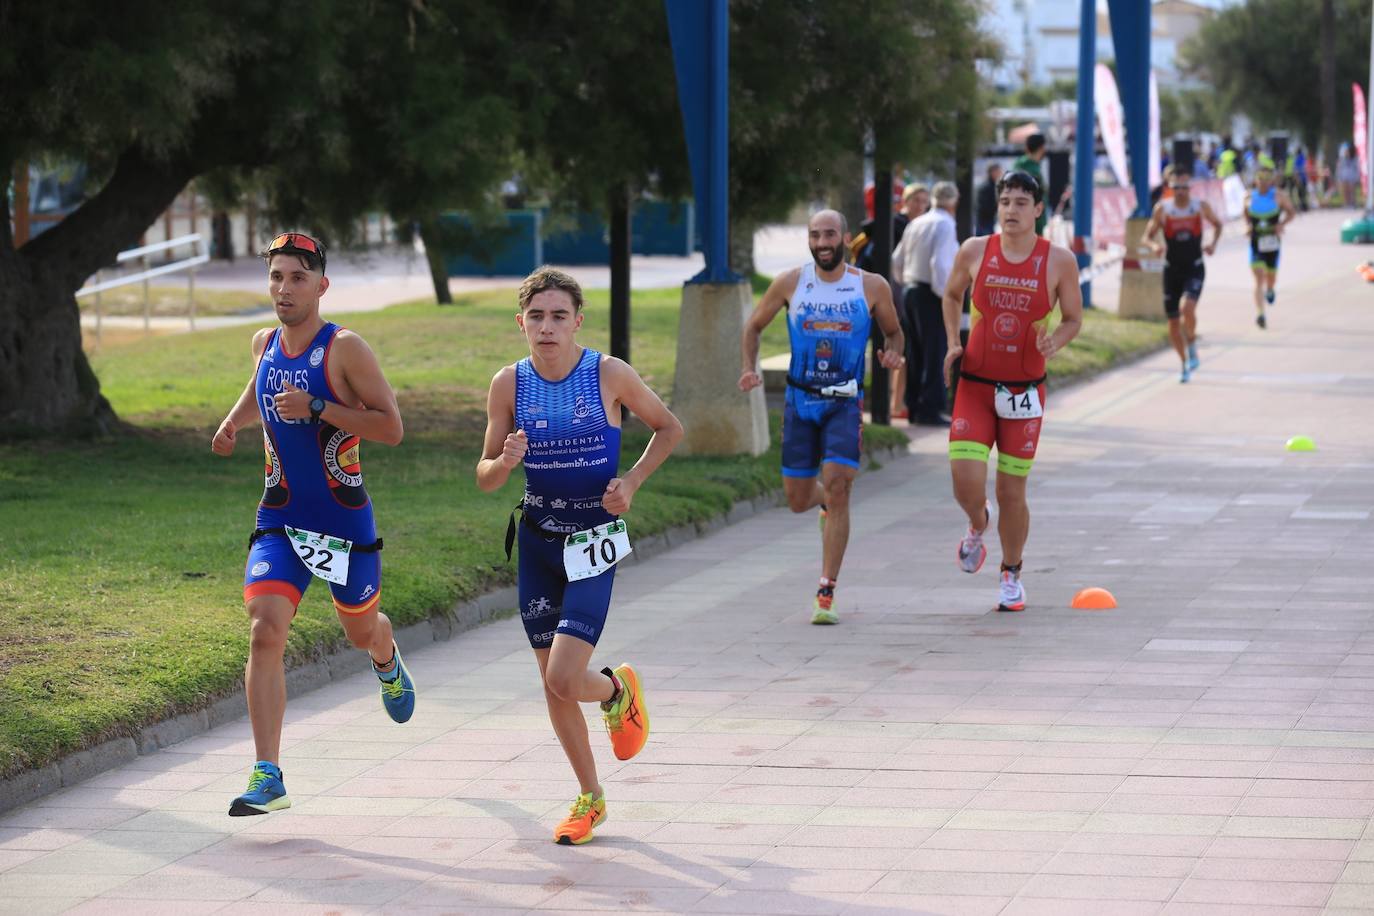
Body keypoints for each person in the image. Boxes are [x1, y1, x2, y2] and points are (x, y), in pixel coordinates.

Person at [476, 267, 683, 845]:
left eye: (558, 317)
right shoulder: (508, 385)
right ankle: (590, 797)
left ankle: (617, 691)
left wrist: (633, 482)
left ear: (577, 323)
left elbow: (669, 428)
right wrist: (505, 461)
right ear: (521, 323)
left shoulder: (607, 374)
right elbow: (485, 477)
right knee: (553, 683)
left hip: (591, 544)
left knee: (567, 676)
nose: (547, 327)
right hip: (539, 544)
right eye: (536, 317)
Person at [211, 232, 413, 816]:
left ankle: (385, 654)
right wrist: (232, 423)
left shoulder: (345, 349)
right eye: (275, 277)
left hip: (344, 523)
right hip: (280, 514)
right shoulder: (264, 342)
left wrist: (321, 407)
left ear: (321, 286)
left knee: (360, 630)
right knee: (264, 629)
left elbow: (391, 427)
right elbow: (262, 387)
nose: (284, 288)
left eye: (297, 277)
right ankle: (268, 773)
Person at [740, 210, 904, 625]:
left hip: (844, 403)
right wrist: (748, 366)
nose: (823, 241)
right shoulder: (791, 283)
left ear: (846, 238)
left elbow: (894, 331)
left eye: (830, 233)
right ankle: (825, 508)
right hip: (800, 403)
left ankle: (826, 590)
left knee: (839, 484)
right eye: (815, 234)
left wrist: (893, 351)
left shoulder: (870, 286)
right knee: (797, 499)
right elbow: (754, 326)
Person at [940, 172, 1083, 612]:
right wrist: (953, 343)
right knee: (965, 482)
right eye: (1005, 201)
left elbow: (1072, 318)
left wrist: (1053, 343)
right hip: (976, 385)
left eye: (1022, 202)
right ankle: (976, 522)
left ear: (1038, 210)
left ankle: (1011, 574)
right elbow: (950, 295)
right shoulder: (974, 250)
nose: (1011, 210)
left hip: (1023, 392)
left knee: (1011, 492)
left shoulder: (1059, 260)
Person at [1144, 166, 1223, 383]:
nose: (1181, 191)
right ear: (1170, 187)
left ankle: (1192, 343)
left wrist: (1212, 244)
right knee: (1172, 323)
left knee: (1186, 307)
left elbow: (1217, 224)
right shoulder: (1163, 209)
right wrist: (1154, 247)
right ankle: (1184, 363)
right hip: (1171, 270)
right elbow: (1147, 237)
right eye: (1176, 187)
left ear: (1190, 187)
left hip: (1194, 267)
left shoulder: (1199, 207)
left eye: (1184, 187)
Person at [893, 181, 960, 425]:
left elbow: (896, 260)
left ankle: (913, 404)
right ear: (953, 202)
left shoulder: (917, 222)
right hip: (931, 293)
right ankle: (930, 407)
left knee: (914, 351)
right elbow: (940, 264)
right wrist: (946, 296)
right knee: (934, 351)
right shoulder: (945, 224)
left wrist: (907, 282)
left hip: (910, 289)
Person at [889, 183, 930, 419]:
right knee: (900, 348)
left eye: (924, 201)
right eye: (916, 200)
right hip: (897, 292)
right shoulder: (899, 225)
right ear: (905, 201)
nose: (920, 205)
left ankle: (898, 402)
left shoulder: (921, 226)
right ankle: (895, 404)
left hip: (907, 293)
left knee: (906, 348)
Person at [1245, 166, 1297, 329]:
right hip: (1256, 242)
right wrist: (1247, 226)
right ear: (1256, 180)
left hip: (1272, 242)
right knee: (1258, 277)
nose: (1263, 183)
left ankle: (1271, 288)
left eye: (1267, 179)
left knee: (1270, 277)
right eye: (1261, 179)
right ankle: (1261, 314)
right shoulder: (1248, 197)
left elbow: (1291, 212)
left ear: (1271, 181)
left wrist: (1281, 224)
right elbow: (1245, 214)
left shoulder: (1279, 196)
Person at [1012, 133, 1049, 236]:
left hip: (1031, 222)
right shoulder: (1029, 169)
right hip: (1032, 224)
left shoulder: (1023, 165)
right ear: (1041, 148)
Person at [975, 163, 1003, 237]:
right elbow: (985, 206)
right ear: (992, 172)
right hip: (985, 222)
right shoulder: (987, 187)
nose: (1000, 173)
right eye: (998, 171)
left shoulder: (991, 185)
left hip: (987, 221)